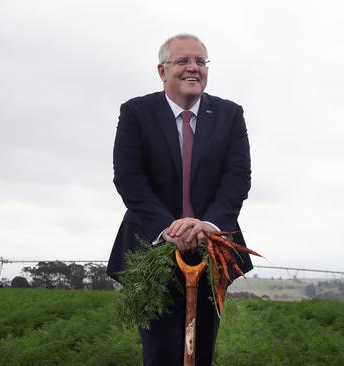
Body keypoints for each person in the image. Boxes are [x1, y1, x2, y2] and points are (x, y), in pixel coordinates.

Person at [107, 33, 253, 365]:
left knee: (201, 350)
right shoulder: (136, 112)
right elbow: (129, 178)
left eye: (200, 61)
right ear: (162, 71)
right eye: (183, 61)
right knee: (160, 352)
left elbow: (237, 178)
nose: (193, 68)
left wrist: (208, 225)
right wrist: (168, 228)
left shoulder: (230, 115)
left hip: (211, 248)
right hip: (150, 247)